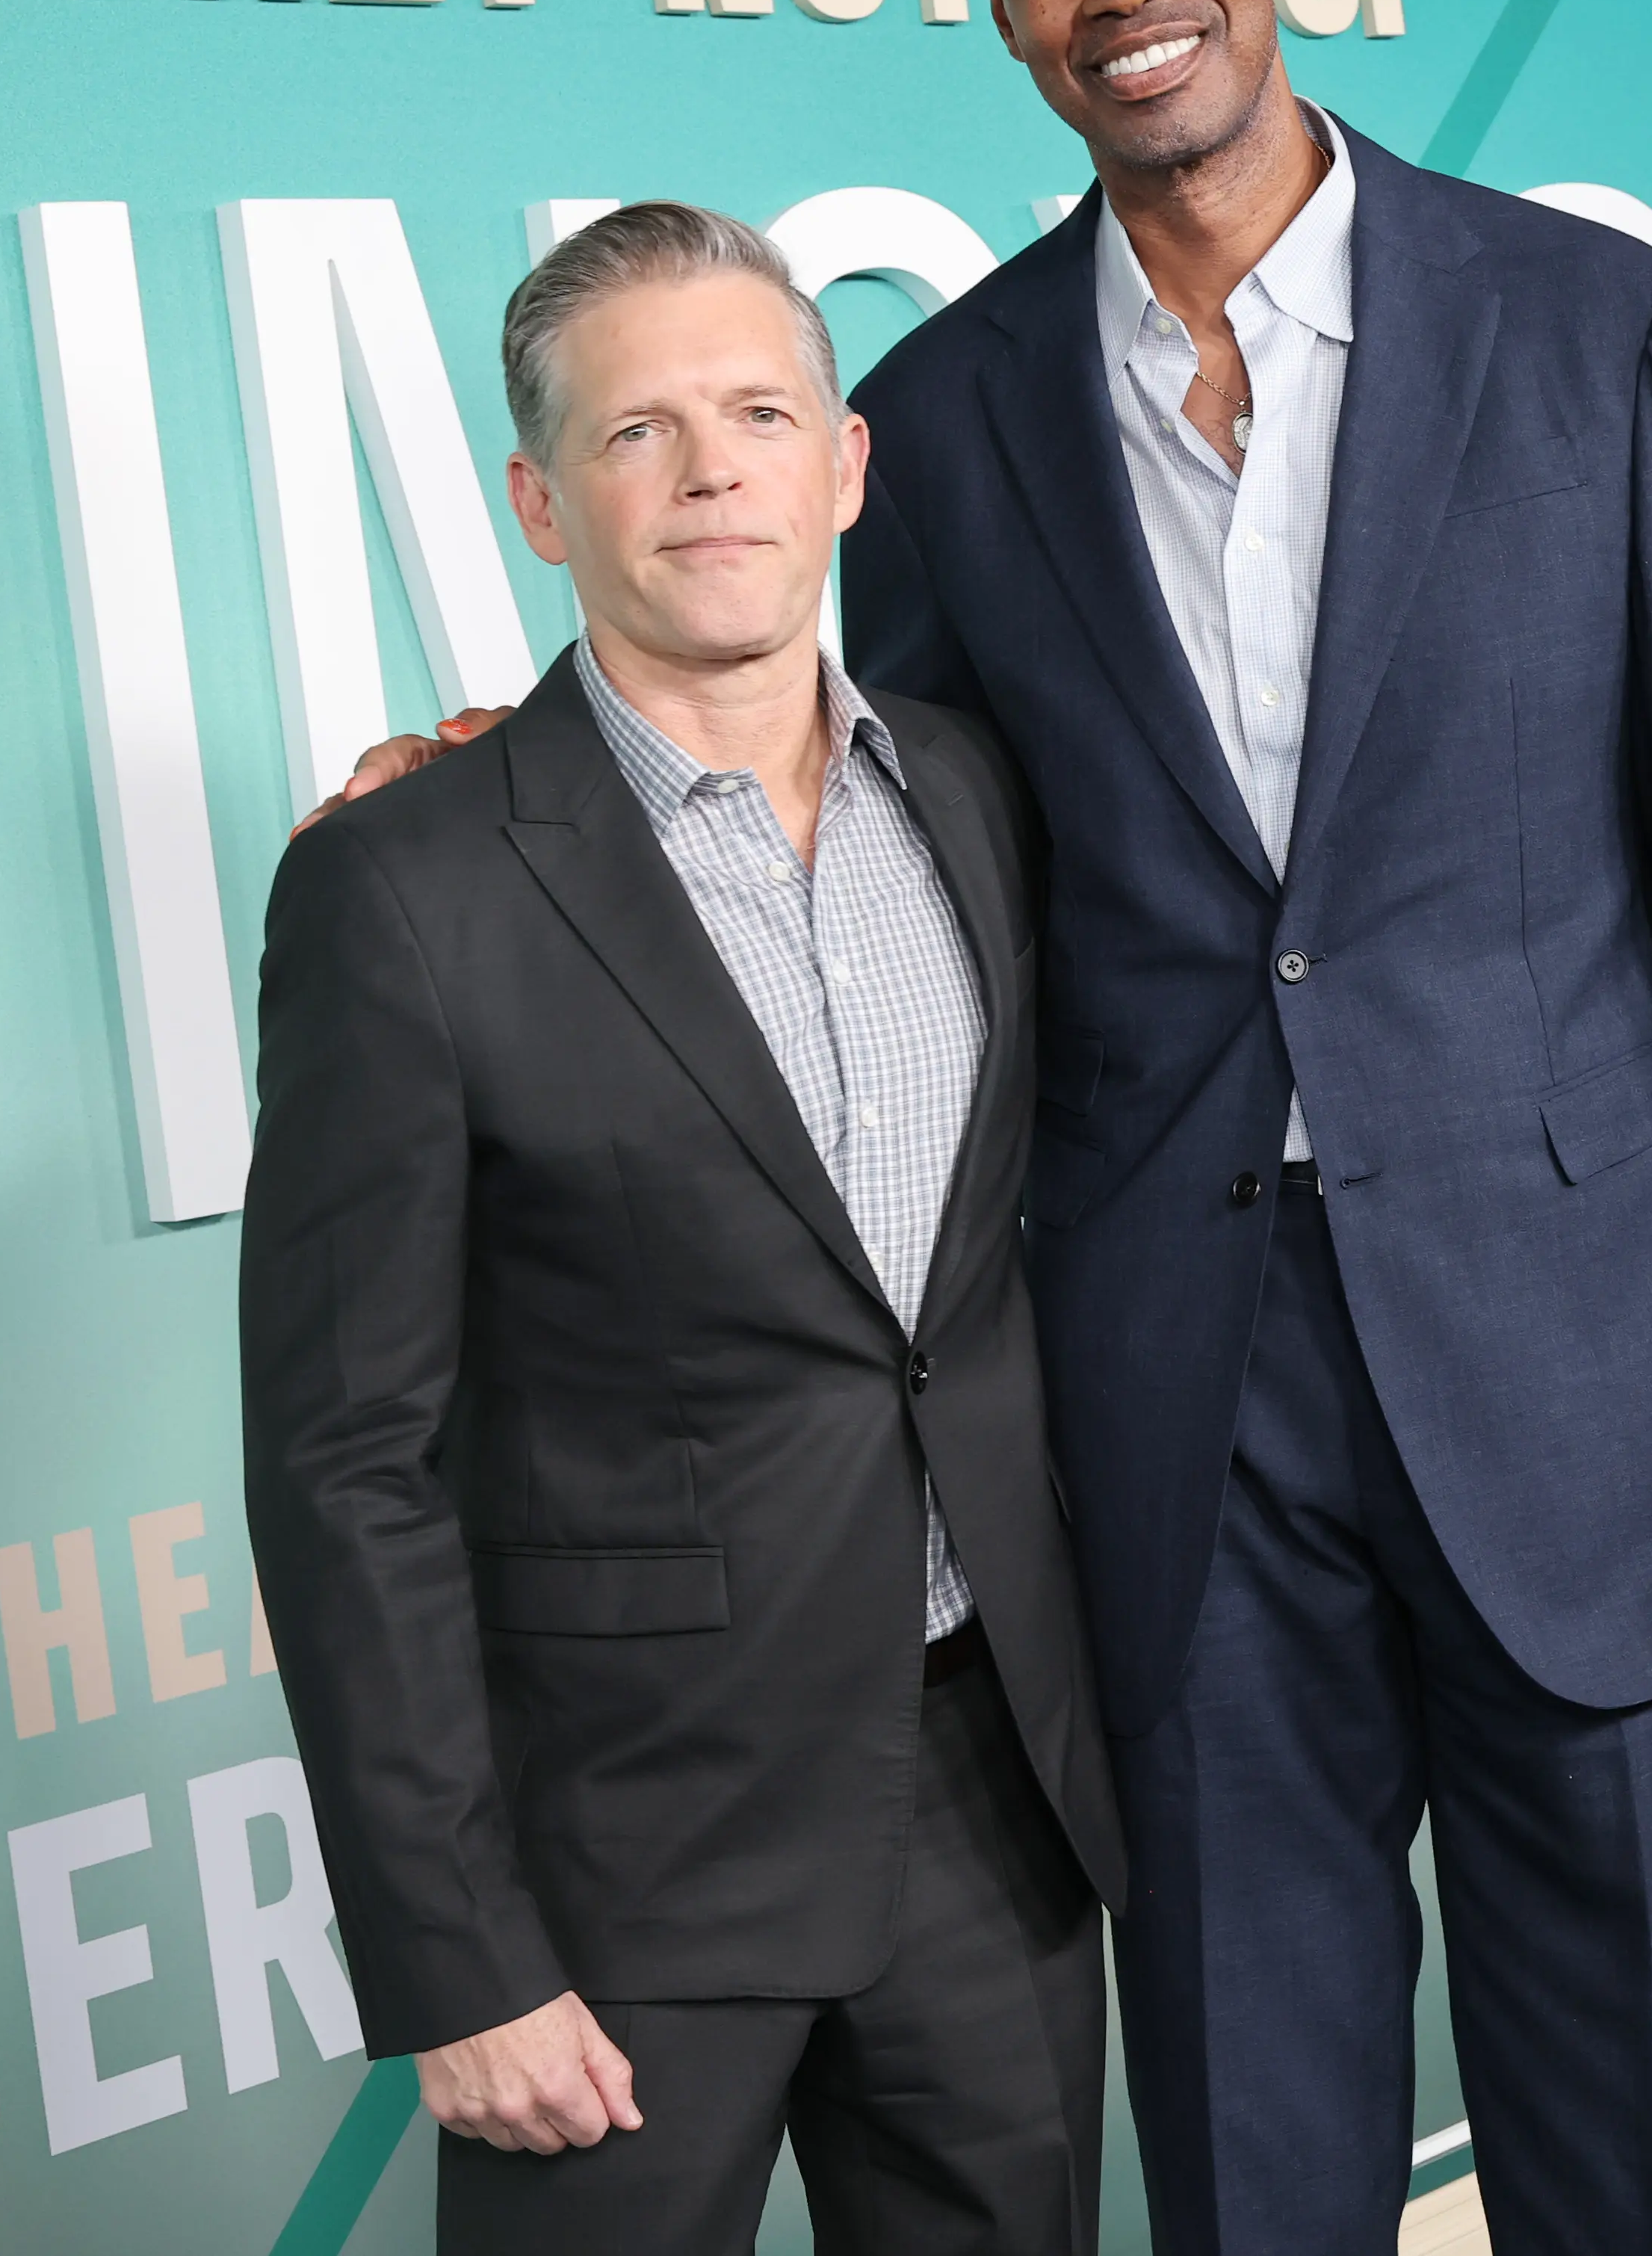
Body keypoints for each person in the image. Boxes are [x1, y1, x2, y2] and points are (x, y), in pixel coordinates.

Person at [328, 0, 1652, 2255]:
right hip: (1168, 1452)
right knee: (1243, 2187)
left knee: (1630, 2183)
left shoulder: (1596, 331)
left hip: (1589, 1414)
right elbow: (837, 787)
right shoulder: (942, 421)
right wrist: (467, 776)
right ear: (998, 7)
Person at [243, 203, 1124, 2253]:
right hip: (617, 1877)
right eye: (638, 433)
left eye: (755, 411)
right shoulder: (404, 887)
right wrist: (455, 1953)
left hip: (990, 1811)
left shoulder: (981, 799)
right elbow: (341, 1459)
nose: (711, 467)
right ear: (542, 502)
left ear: (845, 463)